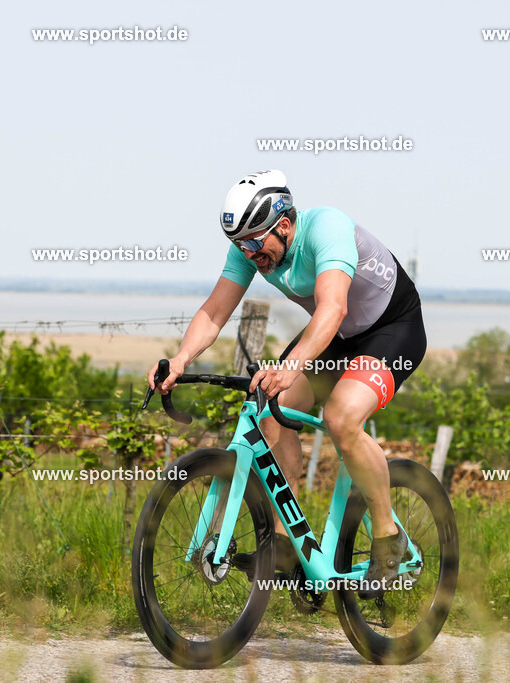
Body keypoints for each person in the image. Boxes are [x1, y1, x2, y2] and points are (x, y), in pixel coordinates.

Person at [147, 170, 426, 599]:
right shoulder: (251, 247)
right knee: (269, 408)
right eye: (241, 246)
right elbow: (215, 312)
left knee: (341, 418)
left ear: (283, 224)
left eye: (254, 244)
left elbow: (333, 308)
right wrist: (182, 358)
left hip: (391, 329)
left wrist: (292, 366)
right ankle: (285, 543)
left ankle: (389, 538)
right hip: (337, 337)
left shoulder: (327, 227)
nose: (249, 254)